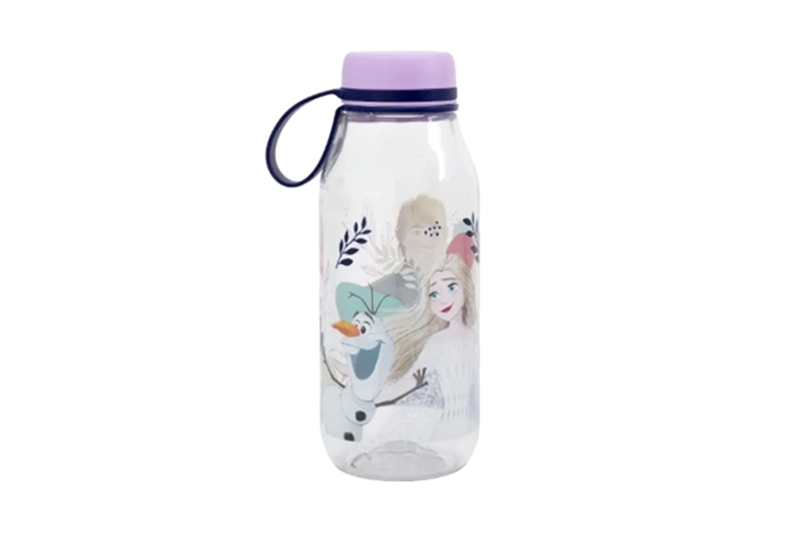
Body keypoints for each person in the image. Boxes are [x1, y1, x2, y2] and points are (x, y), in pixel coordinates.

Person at [368, 252, 479, 442]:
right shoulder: (438, 342)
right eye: (434, 294)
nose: (443, 299)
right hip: (446, 430)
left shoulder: (471, 338)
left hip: (461, 428)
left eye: (452, 287)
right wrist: (370, 399)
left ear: (466, 288)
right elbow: (409, 382)